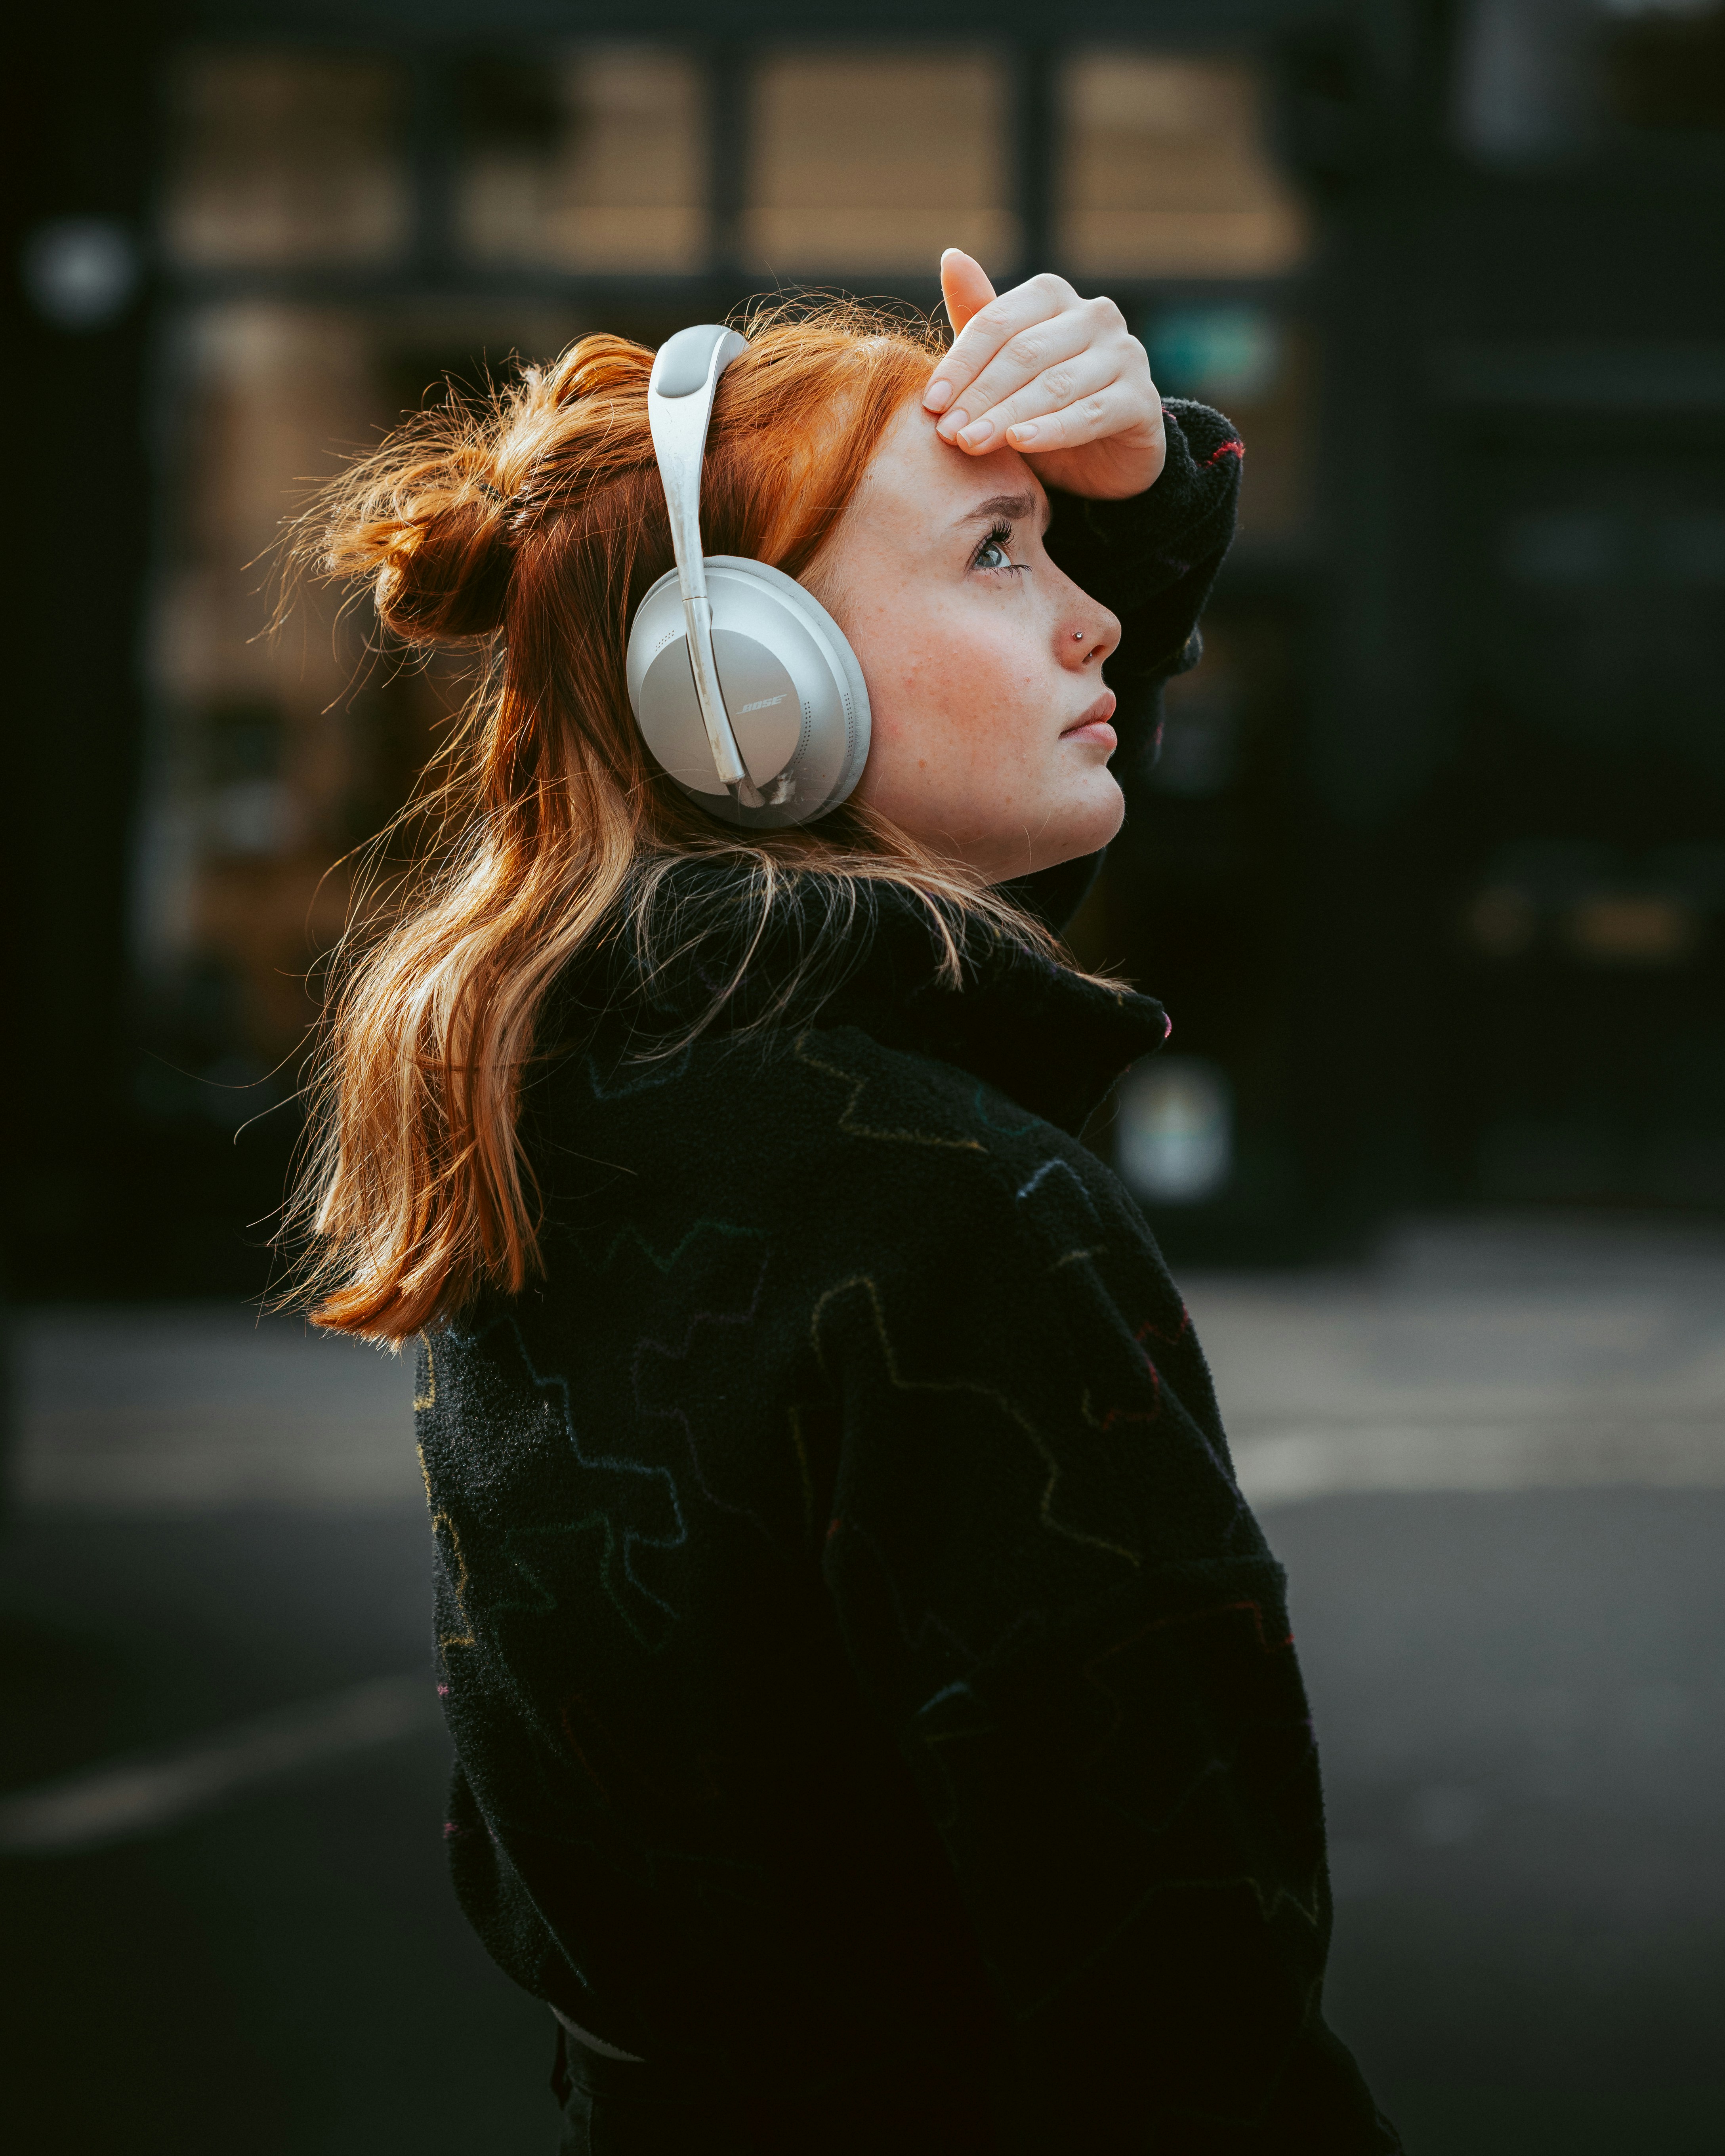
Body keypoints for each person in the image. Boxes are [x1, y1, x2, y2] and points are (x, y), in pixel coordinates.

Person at [289, 250, 1400, 2153]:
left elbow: (904, 918)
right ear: (747, 689)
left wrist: (1131, 500)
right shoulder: (957, 1209)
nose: (1089, 628)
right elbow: (1185, 2009)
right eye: (1000, 556)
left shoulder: (570, 1100)